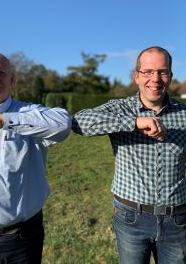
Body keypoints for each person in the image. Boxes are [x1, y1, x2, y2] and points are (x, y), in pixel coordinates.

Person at [72, 46, 186, 264]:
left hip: (177, 220)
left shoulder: (184, 115)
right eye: (148, 72)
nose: (155, 79)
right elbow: (78, 122)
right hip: (131, 218)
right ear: (136, 76)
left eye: (162, 72)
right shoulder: (121, 109)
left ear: (170, 76)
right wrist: (133, 123)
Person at [0, 52, 71, 264]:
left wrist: (5, 120)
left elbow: (63, 124)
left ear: (11, 79)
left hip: (22, 240)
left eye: (1, 72)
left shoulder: (29, 114)